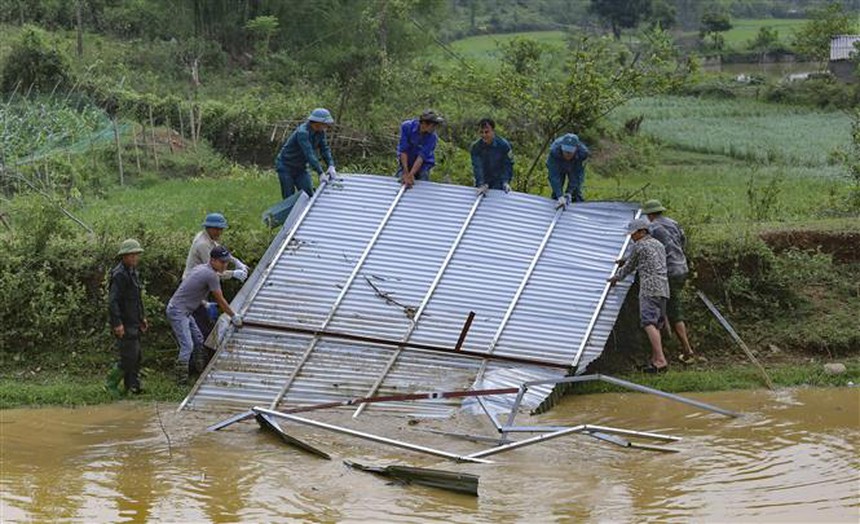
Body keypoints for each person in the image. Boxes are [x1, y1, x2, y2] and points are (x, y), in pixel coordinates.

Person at [183, 212, 248, 373]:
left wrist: (236, 262)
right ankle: (197, 368)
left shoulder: (209, 239)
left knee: (204, 325)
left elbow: (221, 253)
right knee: (201, 329)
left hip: (200, 289)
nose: (220, 232)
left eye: (221, 229)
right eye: (217, 229)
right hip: (193, 291)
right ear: (209, 228)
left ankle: (201, 365)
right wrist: (234, 274)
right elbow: (214, 271)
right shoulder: (202, 245)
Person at [167, 246, 243, 384]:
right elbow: (220, 299)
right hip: (178, 311)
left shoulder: (202, 268)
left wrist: (203, 302)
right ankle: (180, 379)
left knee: (198, 339)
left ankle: (199, 372)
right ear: (213, 260)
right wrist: (233, 316)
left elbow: (191, 287)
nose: (224, 265)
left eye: (226, 262)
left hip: (184, 310)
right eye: (222, 262)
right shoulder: (211, 275)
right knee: (187, 346)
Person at [642, 199, 704, 364]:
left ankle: (687, 350)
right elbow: (683, 242)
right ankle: (669, 339)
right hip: (681, 268)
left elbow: (647, 249)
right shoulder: (673, 223)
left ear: (649, 214)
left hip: (667, 272)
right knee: (668, 305)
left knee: (673, 310)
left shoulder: (652, 228)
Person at [608, 218, 670, 373]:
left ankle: (660, 360)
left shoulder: (639, 245)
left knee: (648, 323)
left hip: (649, 288)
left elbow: (630, 266)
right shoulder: (658, 244)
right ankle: (656, 359)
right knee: (655, 324)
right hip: (663, 287)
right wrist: (626, 260)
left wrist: (616, 278)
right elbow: (643, 259)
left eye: (634, 234)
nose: (631, 237)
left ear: (642, 232)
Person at [106, 239, 149, 395]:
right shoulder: (119, 275)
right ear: (124, 256)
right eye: (131, 255)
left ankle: (132, 386)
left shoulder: (133, 272)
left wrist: (142, 317)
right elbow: (113, 302)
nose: (135, 258)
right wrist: (117, 324)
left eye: (136, 255)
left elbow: (137, 298)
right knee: (128, 356)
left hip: (134, 320)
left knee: (136, 356)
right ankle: (110, 383)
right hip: (124, 321)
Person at [275, 108, 337, 199]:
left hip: (301, 168)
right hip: (286, 166)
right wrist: (320, 172)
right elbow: (309, 154)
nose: (327, 126)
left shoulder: (320, 132)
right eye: (325, 124)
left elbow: (325, 149)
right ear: (317, 123)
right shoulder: (302, 132)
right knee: (289, 197)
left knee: (309, 194)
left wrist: (331, 165)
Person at [397, 109, 444, 188]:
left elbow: (421, 157)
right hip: (407, 162)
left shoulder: (432, 137)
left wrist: (411, 175)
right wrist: (406, 172)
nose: (434, 128)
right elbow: (403, 150)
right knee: (400, 181)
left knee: (421, 185)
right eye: (433, 126)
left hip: (423, 165)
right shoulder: (407, 127)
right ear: (424, 124)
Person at [470, 118, 514, 195]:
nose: (484, 135)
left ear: (493, 131)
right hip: (483, 182)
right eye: (481, 132)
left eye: (487, 132)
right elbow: (477, 167)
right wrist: (481, 183)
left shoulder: (504, 145)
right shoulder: (476, 147)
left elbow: (508, 165)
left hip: (499, 182)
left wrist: (505, 182)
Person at [546, 133, 589, 208]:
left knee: (576, 191)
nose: (567, 154)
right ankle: (558, 201)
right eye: (565, 151)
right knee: (557, 190)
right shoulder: (554, 151)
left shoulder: (582, 153)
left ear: (576, 148)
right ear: (561, 147)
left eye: (570, 152)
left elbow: (577, 175)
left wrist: (569, 192)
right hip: (559, 163)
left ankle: (577, 207)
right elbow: (554, 175)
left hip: (573, 164)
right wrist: (559, 195)